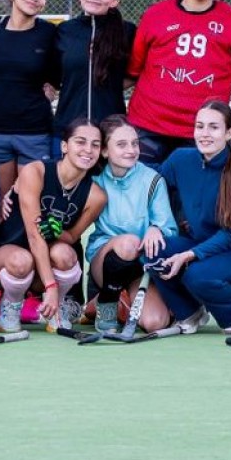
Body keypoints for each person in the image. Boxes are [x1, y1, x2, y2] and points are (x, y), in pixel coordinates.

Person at [149, 101, 231, 334]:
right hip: (197, 242)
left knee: (196, 275)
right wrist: (154, 226)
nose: (205, 134)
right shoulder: (181, 159)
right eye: (199, 126)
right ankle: (189, 312)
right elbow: (154, 191)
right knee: (153, 250)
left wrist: (188, 255)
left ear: (229, 133)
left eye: (213, 127)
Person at [126, 0, 231, 163]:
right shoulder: (156, 14)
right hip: (149, 123)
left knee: (192, 195)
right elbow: (137, 64)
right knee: (144, 192)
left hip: (201, 131)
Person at [0, 118, 106, 332]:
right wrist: (50, 285)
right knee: (21, 260)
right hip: (9, 257)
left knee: (66, 254)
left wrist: (59, 232)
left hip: (45, 264)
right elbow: (34, 235)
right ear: (64, 146)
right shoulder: (35, 171)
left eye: (95, 144)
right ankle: (10, 305)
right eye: (80, 142)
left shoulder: (96, 196)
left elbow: (72, 237)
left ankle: (56, 306)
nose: (88, 149)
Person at [83, 115, 177, 334]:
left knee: (155, 322)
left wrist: (157, 228)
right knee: (128, 244)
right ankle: (106, 303)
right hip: (106, 261)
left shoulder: (153, 179)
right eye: (122, 144)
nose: (131, 150)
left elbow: (169, 229)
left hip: (140, 265)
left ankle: (107, 303)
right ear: (105, 151)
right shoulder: (94, 180)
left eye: (135, 143)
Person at [0, 0, 62, 191]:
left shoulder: (50, 32)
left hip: (34, 132)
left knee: (29, 204)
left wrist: (53, 84)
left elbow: (62, 69)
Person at [52, 0, 133, 142]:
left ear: (114, 1)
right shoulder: (64, 30)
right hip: (68, 126)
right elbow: (54, 76)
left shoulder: (127, 31)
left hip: (111, 131)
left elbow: (136, 73)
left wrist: (109, 86)